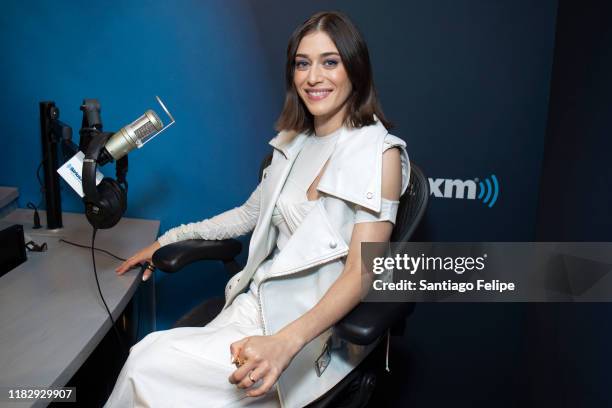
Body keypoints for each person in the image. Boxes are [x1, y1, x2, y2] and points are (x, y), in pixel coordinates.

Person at [105, 10, 410, 408]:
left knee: (145, 368)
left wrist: (286, 343)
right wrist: (166, 240)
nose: (313, 77)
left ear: (355, 68)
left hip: (311, 333)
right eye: (303, 64)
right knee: (145, 358)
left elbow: (361, 271)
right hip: (255, 308)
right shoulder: (293, 142)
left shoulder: (379, 153)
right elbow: (247, 216)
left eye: (329, 62)